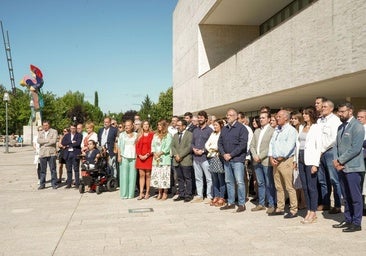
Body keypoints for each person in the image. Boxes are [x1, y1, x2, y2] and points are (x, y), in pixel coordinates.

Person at [332, 102, 365, 232]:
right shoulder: (341, 127)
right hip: (341, 167)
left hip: (354, 168)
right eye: (339, 112)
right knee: (345, 196)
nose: (340, 114)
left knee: (355, 197)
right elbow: (336, 145)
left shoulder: (357, 126)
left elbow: (356, 148)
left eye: (342, 111)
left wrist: (340, 160)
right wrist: (336, 160)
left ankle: (356, 223)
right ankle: (348, 220)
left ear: (350, 111)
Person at [268, 110, 298, 218]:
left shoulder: (291, 130)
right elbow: (271, 144)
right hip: (275, 161)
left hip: (285, 161)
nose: (277, 118)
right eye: (277, 116)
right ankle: (280, 208)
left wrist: (279, 158)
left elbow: (289, 147)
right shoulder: (276, 130)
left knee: (289, 186)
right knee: (278, 186)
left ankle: (293, 209)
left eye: (279, 116)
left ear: (286, 118)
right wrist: (271, 157)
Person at [218, 108, 248, 212]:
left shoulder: (241, 128)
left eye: (230, 115)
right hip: (226, 160)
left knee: (239, 182)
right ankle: (230, 202)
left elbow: (242, 145)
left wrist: (231, 154)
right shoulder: (225, 129)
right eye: (227, 115)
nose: (228, 117)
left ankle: (241, 204)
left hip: (237, 159)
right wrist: (223, 154)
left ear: (236, 116)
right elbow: (220, 143)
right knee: (229, 181)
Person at [295, 106, 322, 224]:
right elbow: (298, 144)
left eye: (307, 113)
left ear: (312, 115)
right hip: (300, 158)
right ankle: (308, 209)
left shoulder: (316, 128)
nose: (304, 115)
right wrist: (295, 160)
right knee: (304, 187)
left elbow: (319, 147)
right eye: (304, 113)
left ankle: (313, 212)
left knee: (312, 187)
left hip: (310, 160)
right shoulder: (301, 127)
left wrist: (315, 164)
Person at [317, 100, 342, 214]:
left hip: (330, 152)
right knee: (322, 180)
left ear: (331, 109)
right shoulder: (319, 120)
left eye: (325, 107)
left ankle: (337, 205)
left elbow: (334, 139)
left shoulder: (335, 120)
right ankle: (326, 203)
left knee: (334, 179)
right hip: (320, 153)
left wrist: (322, 150)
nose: (322, 108)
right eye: (322, 106)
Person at [249, 112, 276, 213]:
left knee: (269, 183)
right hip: (256, 161)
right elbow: (252, 145)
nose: (261, 120)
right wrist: (255, 155)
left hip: (266, 161)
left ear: (269, 119)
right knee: (260, 183)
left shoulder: (272, 131)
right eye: (260, 118)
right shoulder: (256, 131)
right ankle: (261, 203)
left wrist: (260, 156)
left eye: (263, 118)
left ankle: (271, 204)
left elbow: (270, 146)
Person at [191, 110, 213, 203]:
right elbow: (192, 143)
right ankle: (199, 195)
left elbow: (212, 144)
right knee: (198, 178)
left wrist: (203, 150)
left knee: (209, 178)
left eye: (201, 117)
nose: (199, 119)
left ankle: (209, 196)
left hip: (205, 158)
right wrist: (194, 149)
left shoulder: (210, 130)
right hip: (196, 158)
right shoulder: (195, 130)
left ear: (206, 119)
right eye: (198, 117)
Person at [172, 119, 194, 202]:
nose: (177, 127)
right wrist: (176, 155)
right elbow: (172, 146)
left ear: (184, 126)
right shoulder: (175, 135)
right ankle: (181, 194)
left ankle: (188, 195)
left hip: (185, 160)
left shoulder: (190, 135)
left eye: (179, 125)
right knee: (180, 178)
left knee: (187, 178)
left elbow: (189, 147)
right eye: (177, 125)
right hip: (177, 160)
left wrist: (180, 155)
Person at [205, 119, 226, 207]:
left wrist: (214, 148)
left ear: (221, 125)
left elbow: (219, 145)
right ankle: (216, 196)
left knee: (221, 178)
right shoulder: (213, 134)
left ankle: (222, 197)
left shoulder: (223, 134)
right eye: (214, 125)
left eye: (216, 125)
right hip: (212, 157)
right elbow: (207, 144)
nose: (215, 127)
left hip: (219, 157)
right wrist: (211, 149)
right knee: (214, 178)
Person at [151, 119, 172, 200]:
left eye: (160, 125)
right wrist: (154, 153)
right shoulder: (155, 135)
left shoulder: (168, 135)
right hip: (156, 159)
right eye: (158, 125)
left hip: (164, 158)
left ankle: (165, 192)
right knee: (158, 176)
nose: (159, 126)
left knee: (164, 176)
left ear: (164, 126)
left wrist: (160, 153)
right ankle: (159, 192)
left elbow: (167, 147)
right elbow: (152, 145)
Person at [117, 120, 138, 199]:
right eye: (125, 125)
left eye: (128, 125)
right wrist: (119, 156)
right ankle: (124, 194)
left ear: (132, 126)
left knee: (132, 176)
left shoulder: (136, 135)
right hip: (124, 156)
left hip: (133, 157)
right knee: (124, 176)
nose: (126, 127)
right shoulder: (121, 135)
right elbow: (119, 147)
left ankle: (131, 194)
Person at [135, 121, 154, 200]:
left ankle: (147, 193)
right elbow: (137, 146)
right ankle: (141, 193)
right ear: (142, 126)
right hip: (140, 158)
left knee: (148, 175)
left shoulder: (152, 135)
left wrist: (146, 155)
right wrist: (139, 155)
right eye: (144, 124)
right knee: (141, 175)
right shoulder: (139, 135)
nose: (146, 126)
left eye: (147, 124)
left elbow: (153, 146)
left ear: (149, 126)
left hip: (148, 157)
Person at [37, 120, 59, 190]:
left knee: (53, 169)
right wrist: (48, 140)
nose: (45, 127)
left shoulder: (54, 131)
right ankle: (42, 184)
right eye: (44, 125)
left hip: (51, 153)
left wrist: (44, 143)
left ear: (49, 125)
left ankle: (54, 184)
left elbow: (54, 141)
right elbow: (38, 140)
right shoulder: (41, 132)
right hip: (42, 153)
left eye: (46, 125)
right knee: (43, 170)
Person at [61, 124, 82, 188]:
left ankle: (77, 184)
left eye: (74, 128)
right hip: (68, 154)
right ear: (70, 129)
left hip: (75, 153)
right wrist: (72, 143)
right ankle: (69, 184)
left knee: (76, 169)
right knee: (68, 169)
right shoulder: (67, 135)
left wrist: (68, 144)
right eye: (71, 128)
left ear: (76, 129)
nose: (72, 130)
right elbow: (63, 143)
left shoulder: (79, 135)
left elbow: (78, 143)